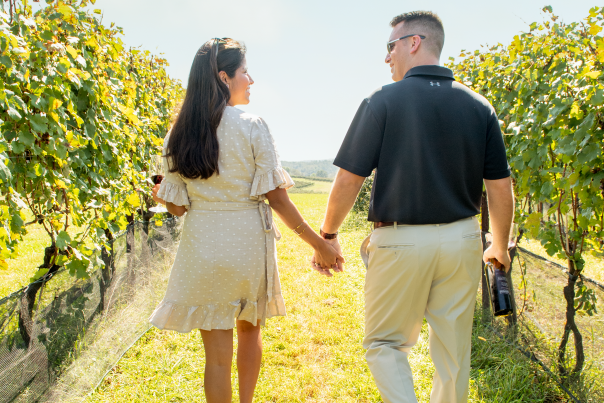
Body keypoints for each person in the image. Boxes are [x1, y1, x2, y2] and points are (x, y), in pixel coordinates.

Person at [313, 11, 514, 403]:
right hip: (462, 239)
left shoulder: (381, 101)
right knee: (454, 353)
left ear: (414, 43)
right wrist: (500, 245)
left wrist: (329, 235)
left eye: (391, 46)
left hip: (400, 240)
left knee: (385, 345)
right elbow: (500, 187)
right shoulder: (480, 106)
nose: (387, 57)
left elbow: (349, 179)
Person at [149, 38, 343, 403]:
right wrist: (320, 244)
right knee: (250, 335)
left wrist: (160, 194)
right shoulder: (253, 125)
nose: (250, 79)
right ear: (224, 77)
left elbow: (177, 209)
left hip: (202, 247)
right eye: (244, 72)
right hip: (247, 245)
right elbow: (277, 198)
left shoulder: (178, 133)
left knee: (216, 359)